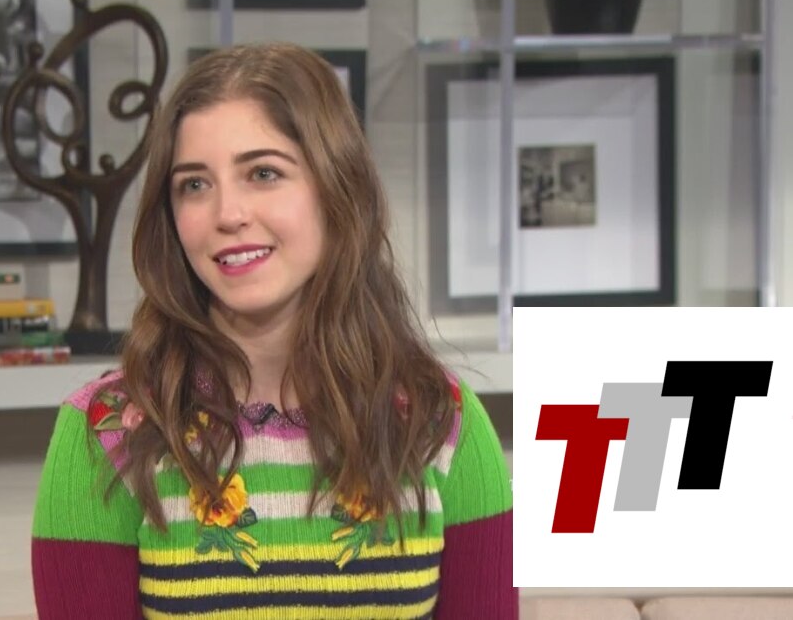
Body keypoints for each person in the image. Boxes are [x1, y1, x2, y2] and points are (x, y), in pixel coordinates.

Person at [31, 42, 516, 619]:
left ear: (337, 188)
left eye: (263, 173)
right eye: (194, 185)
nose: (227, 214)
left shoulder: (441, 422)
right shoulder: (106, 432)